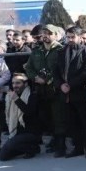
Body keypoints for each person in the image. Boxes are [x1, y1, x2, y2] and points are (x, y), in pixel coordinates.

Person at [24, 24, 65, 155]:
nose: (46, 36)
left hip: (55, 89)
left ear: (56, 35)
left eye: (49, 33)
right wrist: (35, 77)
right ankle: (53, 141)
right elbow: (28, 67)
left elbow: (62, 70)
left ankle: (61, 146)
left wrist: (48, 80)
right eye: (44, 33)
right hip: (40, 90)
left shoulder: (61, 50)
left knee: (58, 118)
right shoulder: (37, 50)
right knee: (46, 118)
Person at [56, 26, 86, 158]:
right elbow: (56, 71)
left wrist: (71, 84)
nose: (70, 40)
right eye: (68, 37)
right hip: (65, 93)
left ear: (79, 37)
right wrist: (61, 85)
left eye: (73, 37)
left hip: (80, 92)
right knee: (72, 122)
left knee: (85, 121)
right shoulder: (61, 51)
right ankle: (77, 147)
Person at [0, 74, 43, 161]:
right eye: (13, 83)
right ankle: (31, 148)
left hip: (31, 133)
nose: (15, 86)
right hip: (16, 133)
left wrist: (17, 99)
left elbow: (29, 112)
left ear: (25, 84)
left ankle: (32, 148)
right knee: (3, 156)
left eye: (18, 83)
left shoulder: (32, 95)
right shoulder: (10, 96)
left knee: (5, 152)